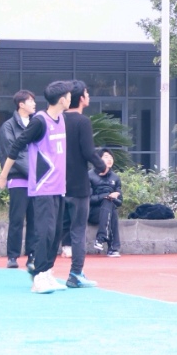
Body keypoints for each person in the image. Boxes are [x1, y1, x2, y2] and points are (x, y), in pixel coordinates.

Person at [0, 80, 74, 295]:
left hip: (59, 186)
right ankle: (38, 277)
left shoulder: (62, 119)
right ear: (62, 100)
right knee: (44, 232)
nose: (71, 99)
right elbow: (16, 146)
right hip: (43, 185)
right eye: (69, 96)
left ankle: (47, 272)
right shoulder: (40, 121)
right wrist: (3, 176)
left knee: (55, 234)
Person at [62, 80, 109, 288]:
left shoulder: (57, 120)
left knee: (54, 228)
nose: (89, 97)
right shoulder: (82, 122)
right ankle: (75, 273)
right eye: (87, 93)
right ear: (81, 98)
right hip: (78, 185)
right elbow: (89, 151)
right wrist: (102, 166)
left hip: (57, 184)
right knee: (78, 230)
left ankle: (41, 270)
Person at [0, 89, 36, 270]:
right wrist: (34, 173)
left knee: (35, 219)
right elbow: (13, 153)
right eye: (31, 101)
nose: (34, 104)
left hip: (37, 179)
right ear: (21, 104)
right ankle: (12, 256)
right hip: (19, 178)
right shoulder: (8, 127)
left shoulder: (37, 123)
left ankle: (32, 255)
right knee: (17, 219)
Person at [90, 150, 123, 257]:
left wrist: (113, 197)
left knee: (110, 206)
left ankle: (101, 239)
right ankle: (113, 248)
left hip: (108, 210)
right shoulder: (89, 176)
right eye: (106, 157)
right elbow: (88, 199)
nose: (109, 159)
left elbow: (120, 202)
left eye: (111, 157)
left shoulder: (115, 178)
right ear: (98, 159)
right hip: (91, 212)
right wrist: (104, 196)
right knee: (108, 203)